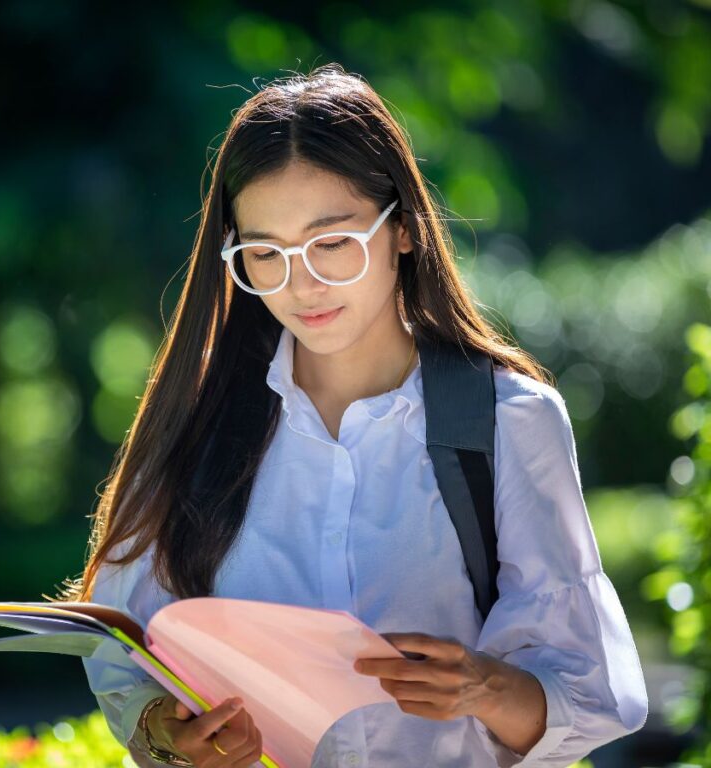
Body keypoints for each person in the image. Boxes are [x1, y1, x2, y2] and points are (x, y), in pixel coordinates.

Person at [55, 63, 648, 767]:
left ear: (402, 229)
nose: (301, 283)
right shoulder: (197, 421)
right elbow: (122, 652)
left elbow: (591, 694)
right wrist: (171, 738)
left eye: (332, 242)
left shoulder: (509, 421)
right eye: (264, 254)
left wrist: (483, 688)